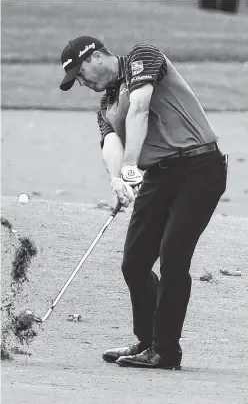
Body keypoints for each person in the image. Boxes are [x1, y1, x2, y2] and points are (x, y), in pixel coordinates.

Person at [60, 36, 227, 369]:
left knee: (173, 256)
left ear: (94, 58)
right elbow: (110, 139)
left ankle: (166, 351)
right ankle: (147, 341)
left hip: (198, 167)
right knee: (134, 263)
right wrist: (117, 179)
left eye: (80, 74)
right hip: (158, 176)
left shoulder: (143, 57)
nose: (82, 82)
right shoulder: (107, 102)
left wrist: (130, 165)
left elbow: (140, 108)